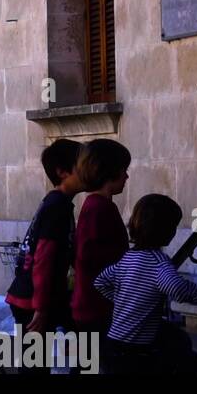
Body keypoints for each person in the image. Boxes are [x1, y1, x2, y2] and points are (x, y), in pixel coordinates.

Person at [95, 194, 197, 374]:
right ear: (165, 230)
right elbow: (178, 289)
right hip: (137, 353)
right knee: (188, 359)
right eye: (173, 227)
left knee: (176, 339)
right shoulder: (158, 262)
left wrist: (126, 301)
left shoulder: (127, 258)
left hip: (112, 346)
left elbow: (101, 281)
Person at [5, 139, 84, 367]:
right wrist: (40, 307)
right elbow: (44, 257)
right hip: (33, 298)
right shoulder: (57, 206)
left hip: (38, 296)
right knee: (35, 366)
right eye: (82, 165)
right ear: (62, 172)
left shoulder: (59, 203)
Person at [71, 140, 131, 355]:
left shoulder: (98, 206)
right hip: (96, 308)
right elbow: (91, 258)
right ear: (111, 171)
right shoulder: (99, 208)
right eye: (124, 170)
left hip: (94, 306)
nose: (126, 177)